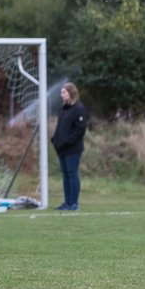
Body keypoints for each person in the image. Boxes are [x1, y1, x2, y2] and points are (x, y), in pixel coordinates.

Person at [51, 82, 89, 211]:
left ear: (71, 93)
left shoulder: (79, 108)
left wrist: (67, 141)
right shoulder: (64, 109)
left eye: (64, 92)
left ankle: (74, 204)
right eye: (61, 92)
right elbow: (61, 127)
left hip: (73, 149)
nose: (61, 95)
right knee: (66, 175)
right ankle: (67, 203)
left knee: (72, 174)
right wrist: (55, 139)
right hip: (62, 148)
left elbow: (80, 130)